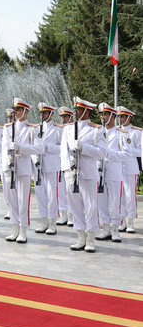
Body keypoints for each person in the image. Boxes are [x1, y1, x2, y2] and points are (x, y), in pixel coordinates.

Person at [61, 97, 107, 252]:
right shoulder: (67, 129)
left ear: (86, 112)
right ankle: (80, 237)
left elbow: (103, 152)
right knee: (75, 207)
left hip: (88, 174)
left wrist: (83, 147)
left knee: (91, 206)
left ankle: (91, 239)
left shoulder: (96, 130)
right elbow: (63, 153)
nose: (74, 112)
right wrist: (66, 170)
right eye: (74, 109)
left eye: (77, 110)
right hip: (71, 174)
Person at [2, 98, 43, 244]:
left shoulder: (32, 129)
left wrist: (21, 148)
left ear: (26, 111)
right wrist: (5, 167)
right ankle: (14, 229)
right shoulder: (8, 128)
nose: (16, 112)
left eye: (19, 110)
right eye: (15, 110)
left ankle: (23, 230)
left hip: (24, 167)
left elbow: (40, 148)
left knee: (22, 200)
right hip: (11, 167)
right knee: (12, 200)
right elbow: (3, 149)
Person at [94, 103, 131, 243]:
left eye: (105, 114)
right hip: (99, 172)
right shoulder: (97, 132)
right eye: (101, 114)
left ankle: (115, 229)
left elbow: (127, 155)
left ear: (113, 116)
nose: (102, 117)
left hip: (115, 172)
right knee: (101, 202)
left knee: (115, 202)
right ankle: (105, 229)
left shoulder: (121, 134)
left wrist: (109, 153)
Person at [32, 103, 61, 235]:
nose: (42, 115)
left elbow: (62, 149)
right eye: (41, 113)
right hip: (38, 166)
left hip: (51, 165)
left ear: (51, 114)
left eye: (45, 113)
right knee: (40, 194)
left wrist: (47, 146)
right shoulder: (36, 128)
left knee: (52, 195)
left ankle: (53, 223)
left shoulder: (58, 129)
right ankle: (44, 221)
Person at [117, 106, 140, 234]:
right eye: (119, 117)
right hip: (118, 166)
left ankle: (130, 222)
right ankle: (122, 221)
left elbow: (140, 151)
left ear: (129, 118)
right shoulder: (116, 131)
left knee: (130, 196)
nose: (120, 119)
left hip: (130, 167)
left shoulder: (136, 132)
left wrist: (128, 150)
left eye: (123, 117)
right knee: (120, 197)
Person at [56, 106, 74, 226]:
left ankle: (71, 215)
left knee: (71, 191)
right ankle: (63, 214)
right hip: (59, 163)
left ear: (71, 117)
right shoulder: (58, 129)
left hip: (71, 164)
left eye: (65, 116)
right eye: (61, 117)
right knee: (61, 191)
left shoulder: (73, 129)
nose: (63, 119)